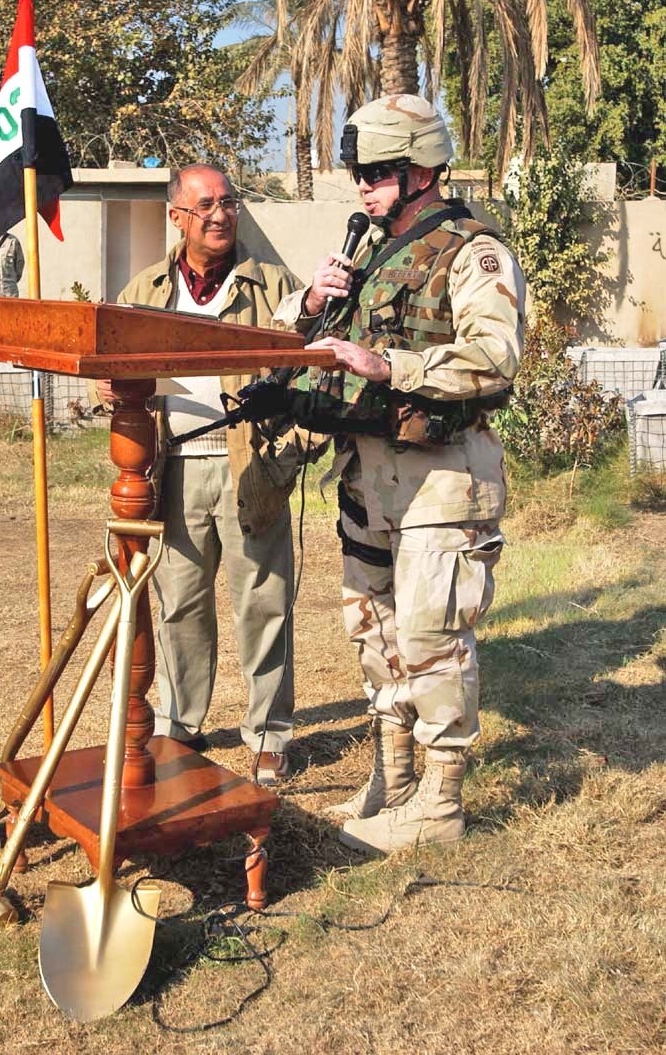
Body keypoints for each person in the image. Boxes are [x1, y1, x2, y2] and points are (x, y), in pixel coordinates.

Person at [274, 95, 526, 851]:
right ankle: (396, 778)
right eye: (359, 172)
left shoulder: (473, 250)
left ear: (423, 168)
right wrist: (312, 302)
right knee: (373, 629)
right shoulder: (371, 249)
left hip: (443, 477)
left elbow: (496, 354)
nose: (364, 186)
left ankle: (442, 808)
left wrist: (392, 364)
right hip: (368, 474)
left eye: (379, 171)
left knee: (431, 636)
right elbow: (308, 338)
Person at [96, 163, 306, 785]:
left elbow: (312, 366)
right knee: (178, 605)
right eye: (206, 204)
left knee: (262, 603)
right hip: (172, 469)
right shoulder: (145, 290)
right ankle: (181, 726)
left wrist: (292, 448)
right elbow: (108, 377)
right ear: (177, 217)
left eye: (229, 202)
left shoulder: (272, 285)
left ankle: (269, 735)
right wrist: (109, 392)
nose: (221, 214)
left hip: (252, 467)